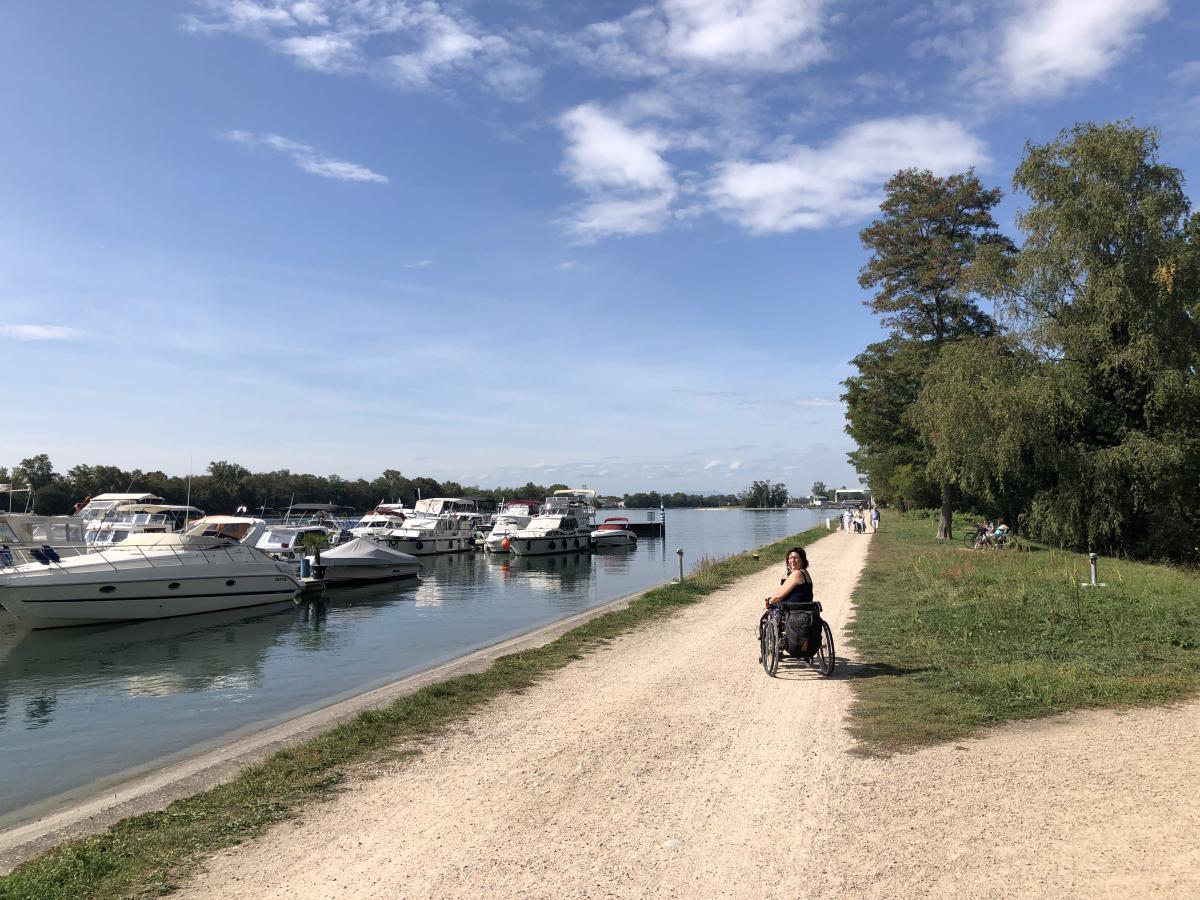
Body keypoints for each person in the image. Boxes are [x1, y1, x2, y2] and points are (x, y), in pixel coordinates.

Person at [764, 547, 815, 655]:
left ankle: (774, 644)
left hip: (793, 609)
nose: (792, 560)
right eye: (790, 558)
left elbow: (779, 595)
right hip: (806, 608)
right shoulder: (805, 572)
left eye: (796, 558)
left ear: (802, 560)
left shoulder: (796, 574)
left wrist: (770, 601)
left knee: (771, 611)